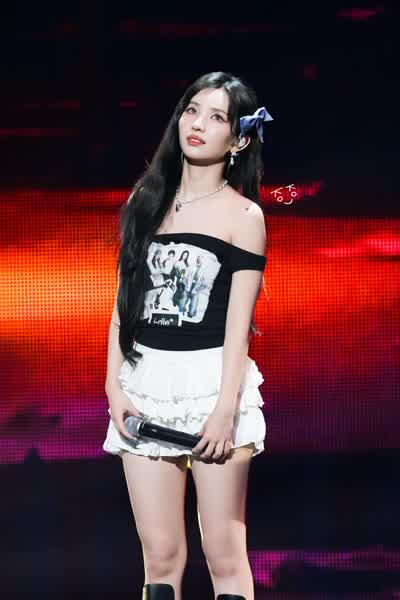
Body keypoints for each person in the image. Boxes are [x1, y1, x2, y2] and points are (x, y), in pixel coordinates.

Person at [103, 71, 273, 600]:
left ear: (238, 140)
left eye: (216, 117)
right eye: (192, 110)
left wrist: (225, 409)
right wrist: (114, 386)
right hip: (146, 384)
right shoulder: (147, 199)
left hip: (211, 387)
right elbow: (124, 305)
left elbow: (238, 327)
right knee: (160, 556)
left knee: (223, 554)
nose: (197, 124)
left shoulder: (244, 216)